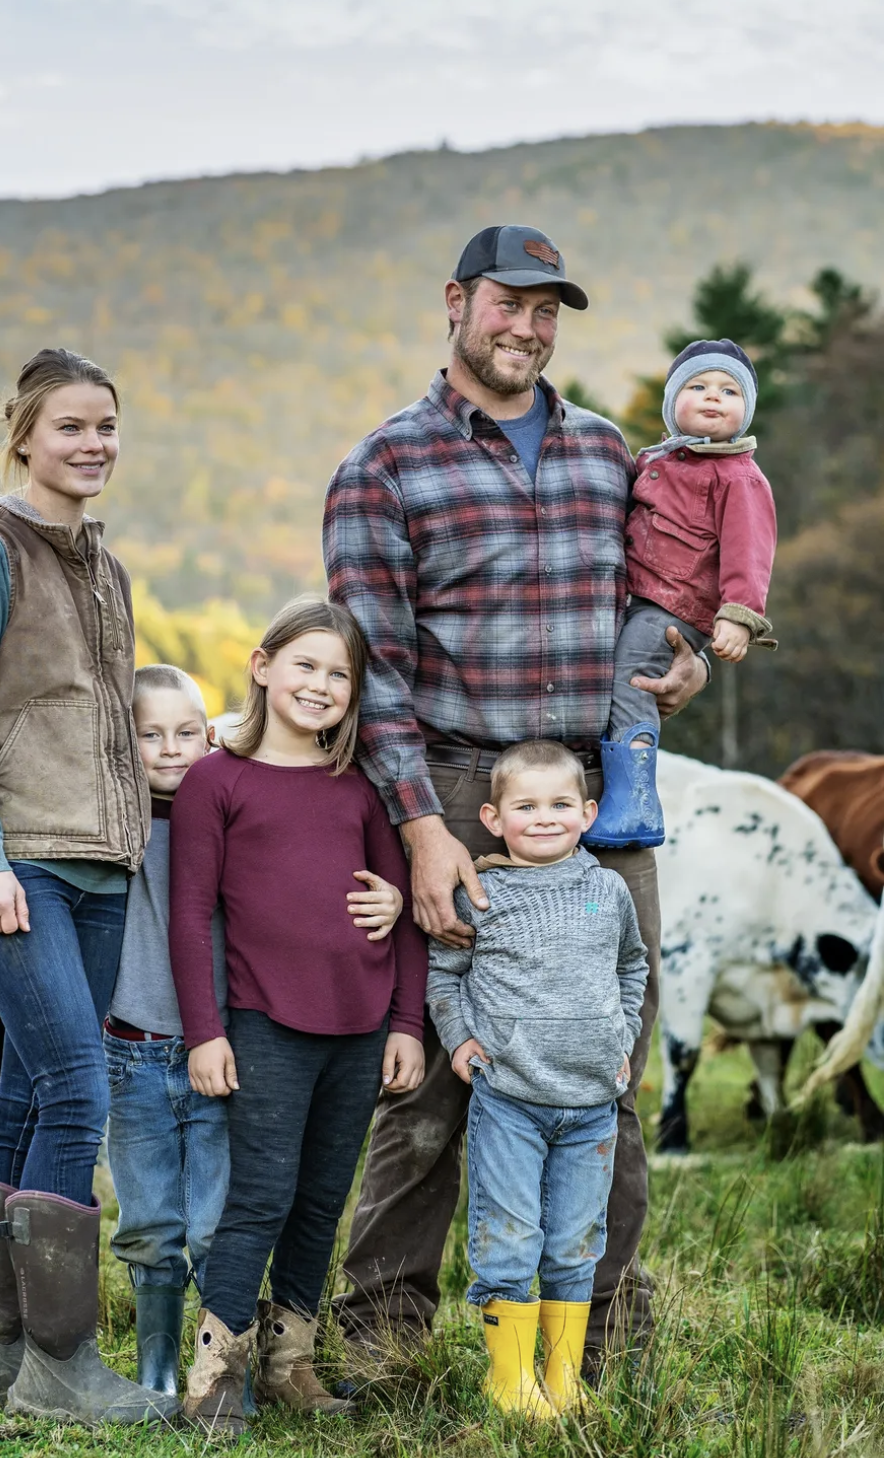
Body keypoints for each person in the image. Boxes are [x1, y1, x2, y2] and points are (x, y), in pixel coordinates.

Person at [322, 224, 708, 1376]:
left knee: (607, 1064)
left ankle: (598, 1340)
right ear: (456, 302)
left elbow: (666, 593)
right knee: (443, 1076)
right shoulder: (384, 467)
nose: (528, 328)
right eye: (509, 303)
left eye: (549, 311)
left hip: (592, 794)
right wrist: (423, 828)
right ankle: (385, 1330)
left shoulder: (609, 459)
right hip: (452, 785)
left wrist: (680, 657)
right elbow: (374, 669)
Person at [0, 348, 172, 1426]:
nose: (94, 444)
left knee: (25, 1092)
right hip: (19, 863)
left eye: (107, 425)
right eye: (70, 427)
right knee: (76, 1091)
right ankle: (63, 1373)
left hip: (104, 865)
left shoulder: (103, 567)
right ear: (22, 436)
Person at [104, 661, 406, 1400]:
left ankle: (256, 1366)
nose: (171, 748)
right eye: (150, 735)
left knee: (223, 1218)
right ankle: (168, 1373)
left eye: (186, 733)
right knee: (160, 1219)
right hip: (152, 1044)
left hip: (239, 1038)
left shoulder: (241, 789)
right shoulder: (128, 815)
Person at [167, 598, 428, 1435]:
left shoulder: (359, 789)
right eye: (305, 665)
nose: (319, 686)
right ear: (262, 666)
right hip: (266, 1025)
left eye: (339, 675)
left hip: (360, 1030)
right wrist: (206, 1031)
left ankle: (291, 1364)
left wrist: (407, 1024)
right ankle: (214, 1376)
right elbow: (188, 915)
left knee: (322, 1201)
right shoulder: (218, 780)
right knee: (263, 1197)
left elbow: (406, 912)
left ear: (355, 695)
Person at [426, 740, 647, 1416]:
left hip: (591, 1104)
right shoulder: (482, 894)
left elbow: (632, 969)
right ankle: (509, 1381)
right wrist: (459, 1040)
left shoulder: (608, 891)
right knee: (510, 1236)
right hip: (511, 1098)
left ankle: (561, 1380)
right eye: (526, 805)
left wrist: (623, 1038)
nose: (544, 818)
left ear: (587, 812)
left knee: (578, 1242)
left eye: (559, 804)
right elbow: (445, 973)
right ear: (493, 817)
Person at [587, 338, 777, 848]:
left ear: (746, 410)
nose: (713, 397)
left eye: (729, 391)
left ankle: (637, 804)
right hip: (638, 594)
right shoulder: (659, 460)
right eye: (698, 386)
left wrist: (738, 616)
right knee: (611, 671)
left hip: (676, 604)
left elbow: (749, 552)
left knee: (631, 677)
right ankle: (610, 787)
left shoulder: (740, 478)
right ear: (673, 402)